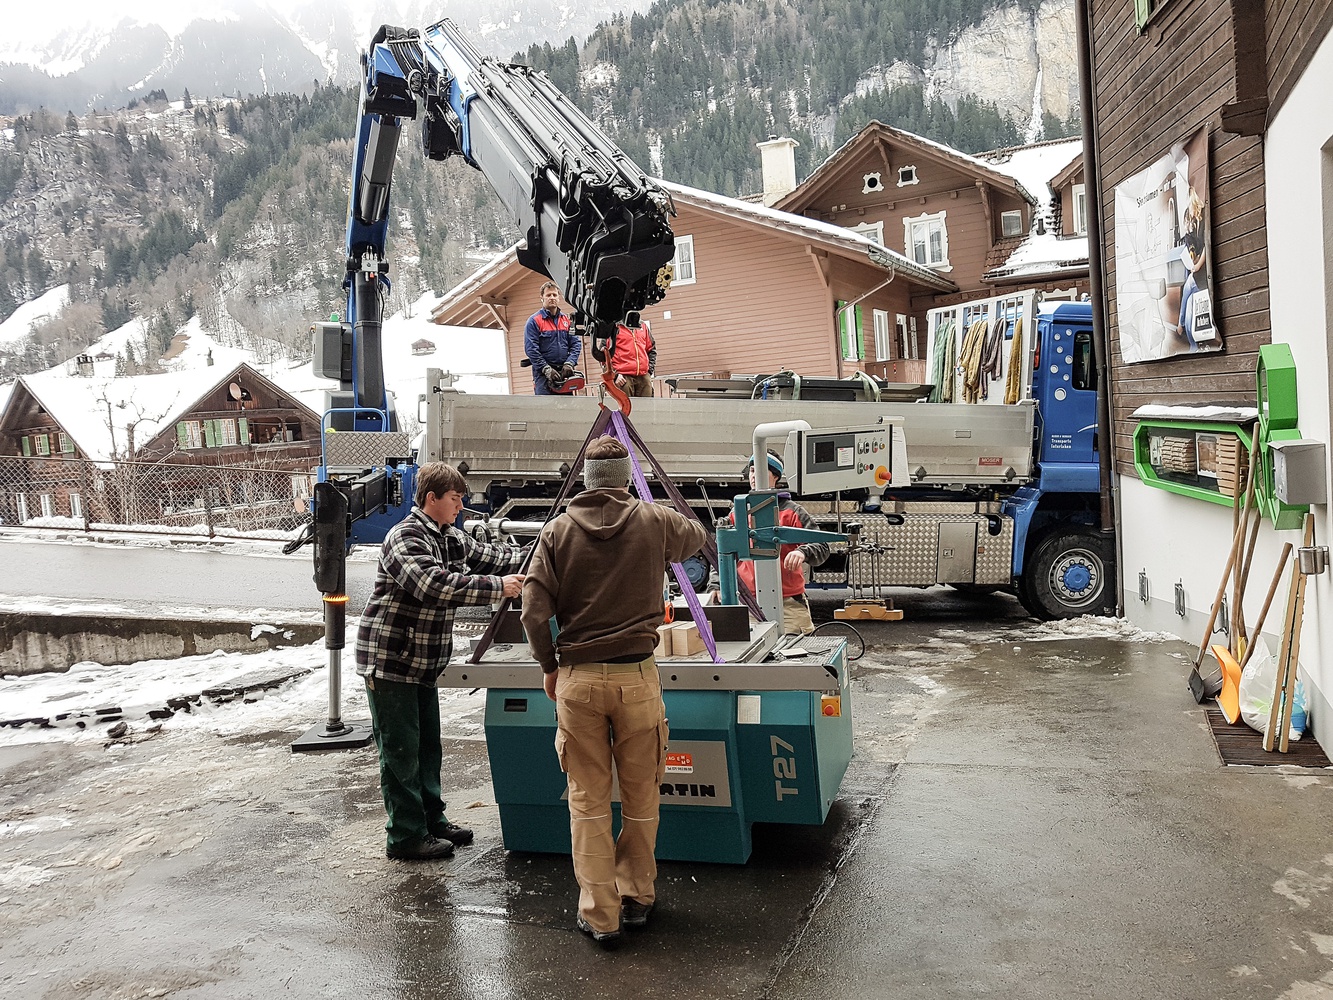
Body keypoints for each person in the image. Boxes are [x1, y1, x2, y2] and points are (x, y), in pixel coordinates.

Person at [520, 436, 708, 948]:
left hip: (577, 682)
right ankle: (637, 895)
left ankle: (600, 915)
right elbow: (697, 536)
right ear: (626, 479)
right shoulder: (654, 521)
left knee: (588, 802)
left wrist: (549, 665)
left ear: (584, 481)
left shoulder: (556, 532)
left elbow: (533, 611)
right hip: (638, 678)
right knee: (643, 795)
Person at [355, 462, 526, 861]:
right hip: (391, 660)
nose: (461, 506)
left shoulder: (449, 537)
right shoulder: (405, 537)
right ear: (431, 498)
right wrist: (498, 589)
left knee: (428, 748)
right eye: (455, 498)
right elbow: (432, 584)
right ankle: (405, 837)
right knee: (401, 754)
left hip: (422, 663)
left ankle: (432, 821)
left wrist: (536, 552)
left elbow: (492, 556)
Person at [727, 450, 830, 635]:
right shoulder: (738, 514)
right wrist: (717, 585)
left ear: (775, 477)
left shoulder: (793, 512)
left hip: (788, 604)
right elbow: (723, 553)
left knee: (797, 657)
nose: (754, 475)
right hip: (747, 604)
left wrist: (803, 552)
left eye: (760, 470)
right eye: (751, 470)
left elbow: (822, 546)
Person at [524, 280, 581, 395]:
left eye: (554, 295)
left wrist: (569, 363)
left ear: (559, 298)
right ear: (542, 298)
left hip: (564, 374)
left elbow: (576, 344)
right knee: (546, 409)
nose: (552, 298)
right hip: (543, 376)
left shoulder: (566, 320)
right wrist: (546, 369)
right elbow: (531, 350)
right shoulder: (534, 321)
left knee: (567, 409)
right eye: (548, 295)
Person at [598, 317, 656, 397]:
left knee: (646, 408)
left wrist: (649, 371)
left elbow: (651, 349)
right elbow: (603, 355)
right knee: (625, 408)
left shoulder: (642, 326)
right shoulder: (612, 327)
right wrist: (614, 375)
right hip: (622, 378)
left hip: (643, 377)